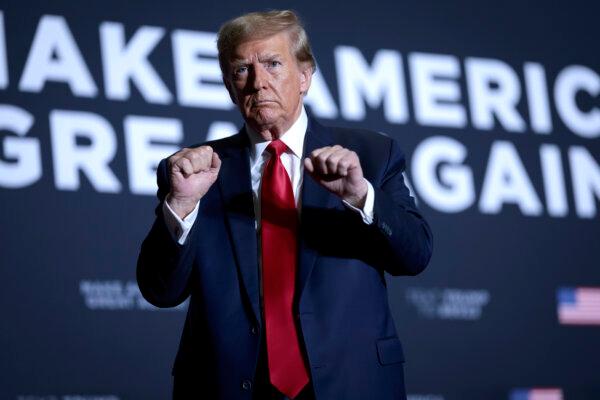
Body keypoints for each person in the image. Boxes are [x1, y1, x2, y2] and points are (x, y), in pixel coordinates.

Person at [137, 9, 432, 400]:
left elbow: (414, 256)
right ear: (228, 85)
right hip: (227, 387)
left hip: (351, 382)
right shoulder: (195, 171)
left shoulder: (372, 154)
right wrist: (182, 205)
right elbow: (161, 290)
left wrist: (361, 197)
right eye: (242, 70)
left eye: (273, 64)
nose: (258, 83)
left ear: (305, 75)